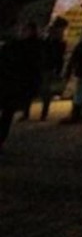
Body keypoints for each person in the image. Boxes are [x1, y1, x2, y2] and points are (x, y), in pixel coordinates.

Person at [0, 23, 46, 152]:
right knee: (7, 114)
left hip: (11, 84)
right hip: (14, 84)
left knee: (7, 113)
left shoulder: (18, 46)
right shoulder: (32, 47)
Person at [30, 18, 68, 120]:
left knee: (45, 89)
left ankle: (43, 112)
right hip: (46, 66)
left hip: (48, 66)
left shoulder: (55, 42)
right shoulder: (53, 42)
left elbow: (58, 57)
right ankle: (42, 112)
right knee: (44, 89)